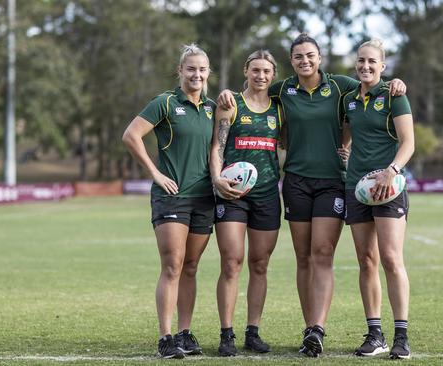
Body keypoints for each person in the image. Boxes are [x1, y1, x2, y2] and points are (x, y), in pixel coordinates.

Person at [218, 33, 406, 357]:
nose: (305, 61)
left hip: (333, 182)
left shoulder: (339, 86)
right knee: (302, 256)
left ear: (320, 58)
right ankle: (309, 332)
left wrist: (395, 83)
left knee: (322, 253)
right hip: (295, 182)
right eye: (298, 57)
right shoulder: (282, 89)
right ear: (291, 62)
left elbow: (369, 86)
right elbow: (255, 93)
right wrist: (227, 94)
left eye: (310, 55)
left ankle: (318, 327)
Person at [122, 44, 215, 359]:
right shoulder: (164, 102)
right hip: (172, 198)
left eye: (202, 69)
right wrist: (154, 173)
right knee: (173, 266)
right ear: (181, 71)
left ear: (208, 73)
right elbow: (131, 135)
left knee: (191, 267)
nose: (196, 74)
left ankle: (185, 333)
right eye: (191, 68)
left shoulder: (213, 108)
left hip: (204, 199)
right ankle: (166, 337)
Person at [341, 39, 415, 359]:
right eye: (361, 61)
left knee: (390, 258)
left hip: (388, 188)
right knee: (366, 261)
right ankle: (375, 334)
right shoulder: (349, 98)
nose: (365, 66)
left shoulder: (394, 95)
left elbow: (408, 143)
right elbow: (345, 133)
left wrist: (391, 171)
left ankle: (401, 336)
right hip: (357, 188)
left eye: (372, 62)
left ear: (383, 66)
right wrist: (344, 152)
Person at [209, 50, 283, 356]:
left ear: (273, 74)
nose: (261, 75)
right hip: (232, 194)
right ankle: (227, 334)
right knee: (231, 262)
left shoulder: (280, 109)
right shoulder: (230, 104)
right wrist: (216, 178)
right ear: (246, 71)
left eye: (266, 71)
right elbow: (217, 146)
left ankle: (253, 332)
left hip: (267, 194)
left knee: (260, 265)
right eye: (255, 70)